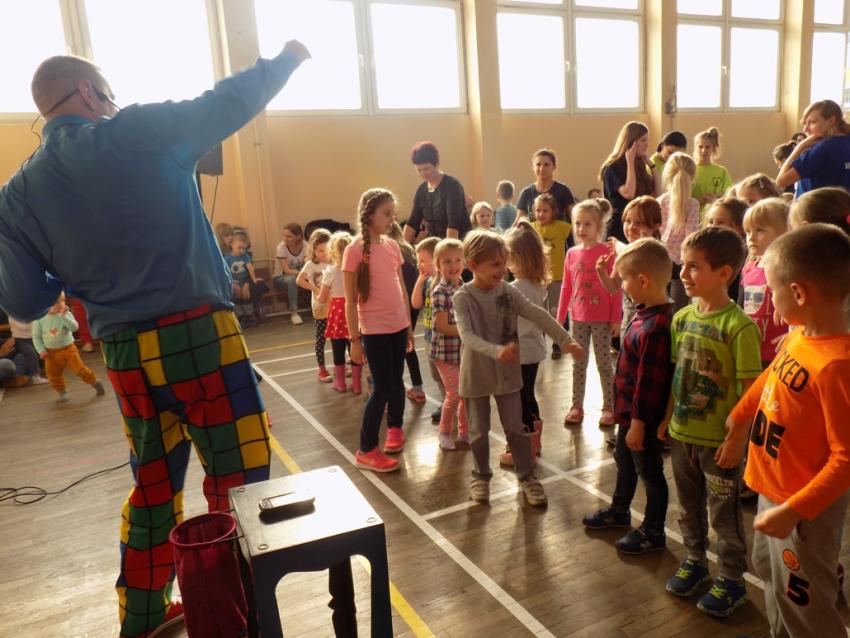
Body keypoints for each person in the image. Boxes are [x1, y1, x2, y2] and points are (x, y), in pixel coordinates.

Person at [0, 43, 310, 636]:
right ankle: (230, 617)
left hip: (124, 357)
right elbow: (227, 102)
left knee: (153, 488)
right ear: (89, 92)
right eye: (108, 96)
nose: (112, 105)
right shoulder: (136, 131)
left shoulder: (16, 195)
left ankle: (141, 618)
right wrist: (286, 61)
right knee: (239, 483)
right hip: (202, 337)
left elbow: (24, 300)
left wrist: (72, 258)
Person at [724, 224, 850, 638]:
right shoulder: (800, 337)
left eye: (773, 290)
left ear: (798, 293)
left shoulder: (836, 366)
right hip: (773, 491)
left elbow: (846, 460)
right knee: (770, 573)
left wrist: (795, 510)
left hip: (801, 509)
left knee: (806, 605)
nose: (769, 299)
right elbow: (772, 377)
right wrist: (740, 418)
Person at [659, 226, 762, 618]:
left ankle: (732, 579)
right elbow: (678, 374)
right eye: (683, 265)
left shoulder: (739, 327)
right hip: (682, 435)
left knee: (724, 514)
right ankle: (696, 561)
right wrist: (668, 419)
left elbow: (752, 393)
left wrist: (737, 440)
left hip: (719, 443)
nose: (683, 274)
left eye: (693, 267)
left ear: (724, 274)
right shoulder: (681, 318)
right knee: (688, 507)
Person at [453, 230, 583, 507]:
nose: (502, 269)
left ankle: (527, 477)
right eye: (495, 264)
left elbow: (537, 314)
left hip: (507, 373)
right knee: (478, 431)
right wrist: (496, 351)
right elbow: (467, 335)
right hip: (476, 373)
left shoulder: (508, 292)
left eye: (504, 262)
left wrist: (565, 339)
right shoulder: (463, 297)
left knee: (516, 427)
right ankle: (481, 476)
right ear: (473, 265)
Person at [583, 238, 674, 554]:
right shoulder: (643, 312)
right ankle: (619, 510)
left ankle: (653, 530)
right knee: (624, 460)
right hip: (629, 415)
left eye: (624, 280)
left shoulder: (658, 326)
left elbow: (650, 383)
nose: (621, 286)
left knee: (650, 472)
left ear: (643, 281)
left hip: (642, 419)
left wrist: (638, 424)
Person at [344, 189, 413, 472]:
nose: (391, 219)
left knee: (397, 382)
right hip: (374, 330)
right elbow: (350, 301)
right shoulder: (354, 250)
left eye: (393, 214)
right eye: (386, 214)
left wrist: (408, 327)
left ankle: (395, 428)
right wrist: (354, 340)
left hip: (398, 325)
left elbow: (401, 289)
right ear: (369, 213)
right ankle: (366, 449)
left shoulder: (392, 246)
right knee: (382, 387)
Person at [557, 199, 622, 427]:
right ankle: (576, 405)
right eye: (577, 223)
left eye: (587, 224)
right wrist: (560, 318)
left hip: (602, 319)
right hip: (578, 319)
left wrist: (616, 319)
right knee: (578, 364)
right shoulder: (572, 253)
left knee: (604, 364)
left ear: (599, 227)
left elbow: (616, 289)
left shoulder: (607, 253)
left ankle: (609, 407)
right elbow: (566, 286)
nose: (581, 229)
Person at [499, 221, 549, 467]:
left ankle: (524, 448)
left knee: (519, 400)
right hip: (534, 349)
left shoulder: (514, 288)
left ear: (521, 258)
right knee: (528, 395)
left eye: (509, 257)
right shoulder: (538, 285)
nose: (506, 263)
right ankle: (533, 442)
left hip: (521, 352)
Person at [429, 238, 469, 451]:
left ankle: (464, 432)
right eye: (447, 261)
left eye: (457, 260)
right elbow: (443, 326)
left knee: (466, 394)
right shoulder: (440, 291)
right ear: (438, 265)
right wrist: (469, 333)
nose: (453, 265)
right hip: (445, 354)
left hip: (462, 352)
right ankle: (444, 432)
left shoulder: (465, 287)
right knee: (454, 395)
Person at [741, 198, 788, 367]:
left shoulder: (789, 270)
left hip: (778, 352)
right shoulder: (749, 267)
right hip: (751, 350)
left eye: (760, 230)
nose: (751, 238)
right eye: (748, 232)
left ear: (785, 232)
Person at [33, 292, 105, 402]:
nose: (61, 304)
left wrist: (64, 317)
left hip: (68, 349)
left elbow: (74, 328)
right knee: (53, 375)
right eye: (56, 302)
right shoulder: (39, 318)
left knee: (80, 369)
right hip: (51, 353)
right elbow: (36, 337)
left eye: (62, 301)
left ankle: (94, 382)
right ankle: (62, 391)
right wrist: (41, 350)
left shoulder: (66, 314)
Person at [776, 100, 850, 196]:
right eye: (805, 123)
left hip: (815, 204)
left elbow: (781, 181)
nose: (805, 129)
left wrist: (800, 147)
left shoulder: (822, 148)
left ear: (831, 120)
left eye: (812, 122)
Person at [600, 122, 659, 242]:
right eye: (643, 140)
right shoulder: (612, 167)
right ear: (631, 143)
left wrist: (653, 168)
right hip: (621, 228)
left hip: (641, 225)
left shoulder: (640, 166)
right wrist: (630, 162)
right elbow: (629, 193)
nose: (647, 145)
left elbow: (657, 195)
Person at [387, 222, 425, 403]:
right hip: (414, 302)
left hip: (399, 303)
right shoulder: (409, 249)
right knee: (408, 345)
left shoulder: (389, 251)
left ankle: (395, 388)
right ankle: (417, 387)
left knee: (396, 347)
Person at [531, 193, 572, 359]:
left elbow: (577, 229)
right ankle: (539, 343)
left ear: (554, 211)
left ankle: (558, 343)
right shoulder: (531, 228)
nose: (541, 214)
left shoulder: (561, 227)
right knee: (539, 312)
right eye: (538, 210)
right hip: (537, 278)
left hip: (556, 277)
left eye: (545, 210)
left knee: (556, 312)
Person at [402, 141, 470, 242]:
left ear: (437, 164)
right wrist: (402, 247)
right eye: (419, 170)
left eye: (426, 169)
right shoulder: (421, 190)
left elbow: (453, 224)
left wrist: (448, 250)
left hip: (458, 242)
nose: (422, 173)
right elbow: (413, 222)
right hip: (435, 243)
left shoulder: (452, 186)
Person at [658, 152, 700, 311]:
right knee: (677, 312)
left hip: (660, 260)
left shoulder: (660, 202)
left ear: (667, 175)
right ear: (693, 177)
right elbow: (691, 238)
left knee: (659, 309)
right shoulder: (693, 204)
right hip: (681, 265)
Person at [318, 231, 357, 393]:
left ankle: (340, 383)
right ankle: (357, 384)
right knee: (355, 347)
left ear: (333, 251)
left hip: (338, 313)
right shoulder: (356, 269)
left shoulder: (330, 271)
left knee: (338, 349)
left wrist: (315, 291)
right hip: (354, 311)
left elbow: (322, 298)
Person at [411, 236, 444, 421]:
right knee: (436, 375)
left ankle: (452, 402)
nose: (419, 264)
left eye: (423, 260)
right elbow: (416, 304)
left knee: (447, 374)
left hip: (444, 339)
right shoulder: (426, 281)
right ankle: (446, 400)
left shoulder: (446, 282)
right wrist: (419, 280)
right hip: (429, 337)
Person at [296, 228, 333, 382]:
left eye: (327, 249)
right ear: (314, 250)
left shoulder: (335, 262)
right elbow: (299, 280)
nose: (324, 254)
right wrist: (317, 289)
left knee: (341, 337)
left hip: (336, 304)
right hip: (320, 306)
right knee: (321, 338)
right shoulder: (311, 265)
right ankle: (322, 370)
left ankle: (345, 365)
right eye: (320, 250)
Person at [514, 148, 577, 225]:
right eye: (538, 164)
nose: (542, 168)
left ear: (554, 167)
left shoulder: (563, 190)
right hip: (534, 233)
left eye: (546, 164)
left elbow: (575, 217)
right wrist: (508, 232)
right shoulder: (526, 192)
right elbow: (519, 220)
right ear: (533, 167)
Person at [225, 236, 268, 325]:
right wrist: (232, 284)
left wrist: (253, 279)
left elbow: (250, 267)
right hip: (234, 283)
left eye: (244, 249)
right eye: (239, 248)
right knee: (236, 298)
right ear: (232, 245)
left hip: (243, 282)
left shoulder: (245, 256)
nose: (242, 251)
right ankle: (240, 317)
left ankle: (250, 315)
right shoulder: (227, 258)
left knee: (246, 298)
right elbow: (226, 272)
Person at [692, 127, 733, 216]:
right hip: (694, 217)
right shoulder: (690, 169)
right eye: (700, 147)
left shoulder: (721, 171)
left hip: (715, 216)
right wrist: (700, 200)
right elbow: (683, 198)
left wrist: (717, 198)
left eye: (707, 147)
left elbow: (730, 194)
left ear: (713, 148)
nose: (703, 151)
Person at [272, 222, 307, 324]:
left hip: (300, 276)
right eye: (284, 236)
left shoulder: (306, 246)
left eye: (289, 236)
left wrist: (308, 275)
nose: (285, 239)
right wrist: (304, 274)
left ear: (298, 236)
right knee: (292, 279)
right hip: (281, 278)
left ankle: (321, 307)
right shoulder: (281, 247)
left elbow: (308, 265)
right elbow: (287, 270)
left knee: (319, 277)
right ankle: (294, 313)